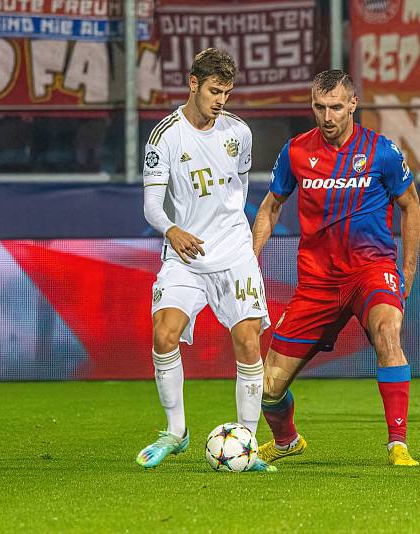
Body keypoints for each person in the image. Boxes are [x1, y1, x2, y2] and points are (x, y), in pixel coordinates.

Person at [251, 70, 420, 466]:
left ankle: (398, 443)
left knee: (388, 333)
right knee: (268, 388)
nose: (327, 117)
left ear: (352, 105)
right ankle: (286, 441)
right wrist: (250, 257)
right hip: (317, 283)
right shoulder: (295, 152)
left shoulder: (382, 152)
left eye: (335, 107)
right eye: (319, 107)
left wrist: (407, 271)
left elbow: (410, 205)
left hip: (370, 271)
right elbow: (271, 205)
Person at [136, 48, 275, 471]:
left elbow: (237, 191)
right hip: (185, 253)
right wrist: (172, 230)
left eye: (227, 93)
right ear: (193, 84)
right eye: (215, 91)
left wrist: (239, 242)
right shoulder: (165, 136)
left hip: (232, 252)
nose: (221, 100)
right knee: (164, 333)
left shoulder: (239, 133)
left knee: (249, 342)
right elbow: (151, 207)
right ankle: (176, 432)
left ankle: (246, 444)